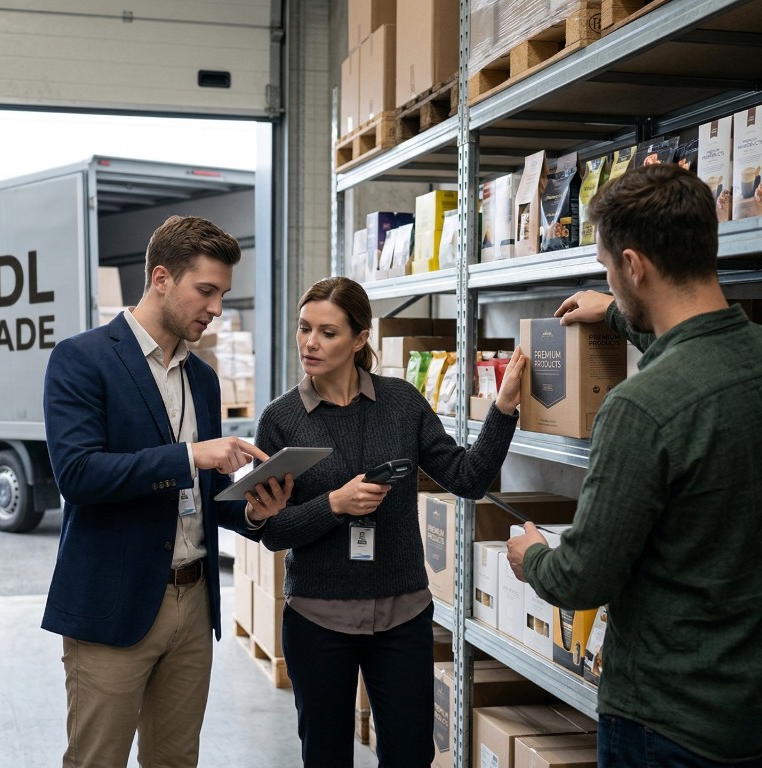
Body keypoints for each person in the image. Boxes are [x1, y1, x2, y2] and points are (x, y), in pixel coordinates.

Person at [507, 163, 762, 767]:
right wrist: (617, 314)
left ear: (634, 265)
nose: (608, 281)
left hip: (666, 721)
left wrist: (532, 558)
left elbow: (582, 578)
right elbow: (701, 353)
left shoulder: (640, 409)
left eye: (607, 268)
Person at [42, 215, 293, 768]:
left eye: (223, 294)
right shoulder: (82, 359)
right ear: (161, 278)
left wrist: (251, 508)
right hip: (114, 604)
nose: (217, 308)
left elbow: (204, 493)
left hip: (193, 601)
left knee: (176, 760)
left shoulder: (201, 378)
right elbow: (78, 475)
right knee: (97, 760)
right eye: (206, 291)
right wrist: (189, 456)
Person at [255, 276, 526, 767]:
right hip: (318, 618)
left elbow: (467, 478)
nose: (310, 343)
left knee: (409, 756)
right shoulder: (281, 419)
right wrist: (334, 504)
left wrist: (503, 408)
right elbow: (273, 532)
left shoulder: (402, 403)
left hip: (403, 617)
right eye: (304, 328)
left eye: (328, 332)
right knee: (326, 757)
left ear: (360, 339)